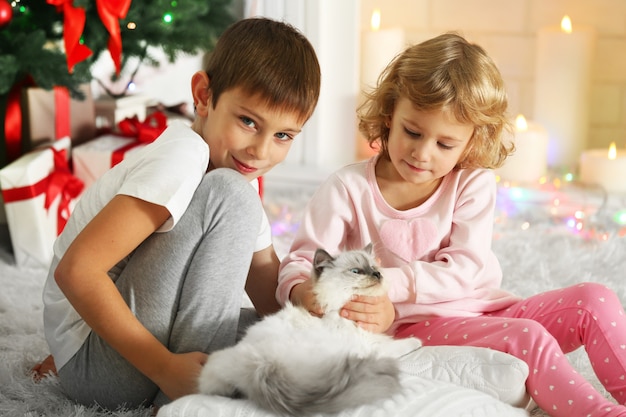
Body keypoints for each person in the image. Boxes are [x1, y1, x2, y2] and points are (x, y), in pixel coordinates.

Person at [277, 32, 626, 417]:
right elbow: (302, 259)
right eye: (413, 132)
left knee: (594, 300)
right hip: (412, 326)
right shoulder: (348, 188)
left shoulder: (472, 182)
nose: (422, 153)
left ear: (472, 141)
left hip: (488, 309)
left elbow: (464, 271)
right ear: (390, 113)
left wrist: (384, 283)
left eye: (445, 144)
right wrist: (299, 292)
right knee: (529, 337)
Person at [31, 17, 321, 411]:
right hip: (102, 365)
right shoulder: (185, 155)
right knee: (232, 196)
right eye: (248, 121)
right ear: (203, 96)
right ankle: (192, 397)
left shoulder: (235, 173)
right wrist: (167, 369)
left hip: (118, 352)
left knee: (281, 337)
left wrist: (314, 312)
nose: (261, 151)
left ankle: (208, 374)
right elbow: (77, 271)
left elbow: (263, 279)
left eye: (283, 135)